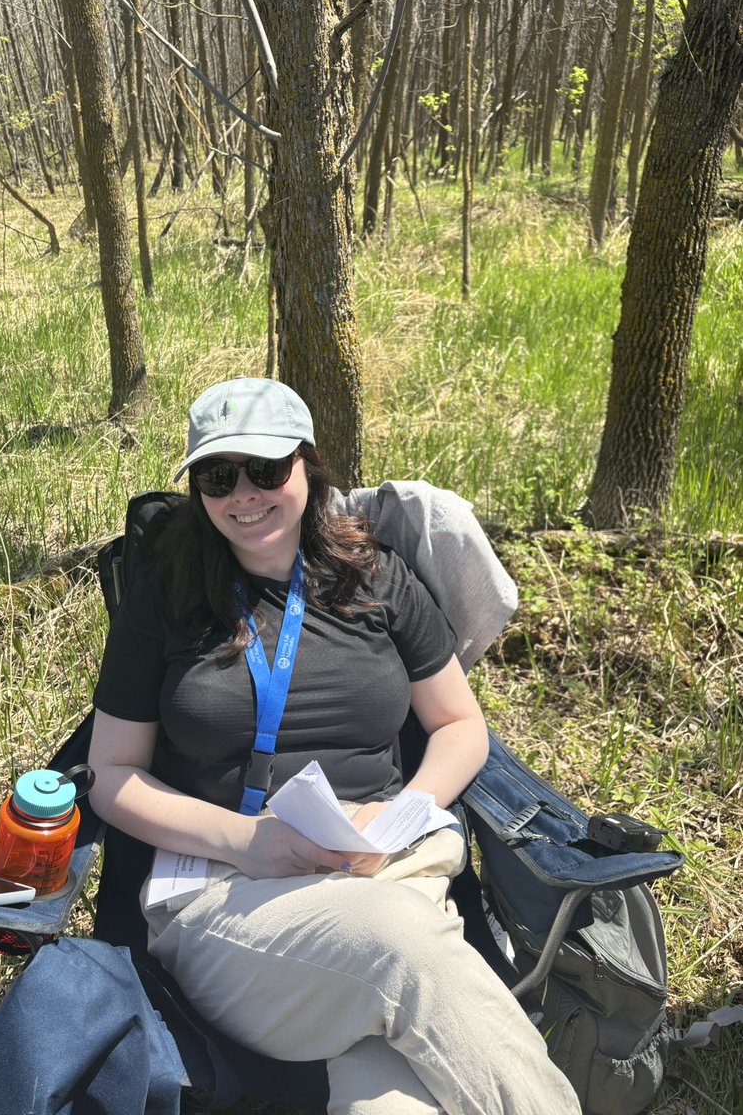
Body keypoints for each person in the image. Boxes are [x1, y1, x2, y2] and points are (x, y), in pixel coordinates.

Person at [88, 376, 583, 1115]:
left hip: (390, 864)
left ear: (307, 465)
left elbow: (460, 724)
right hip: (232, 894)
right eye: (218, 476)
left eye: (266, 469)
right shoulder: (167, 593)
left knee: (394, 1099)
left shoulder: (375, 575)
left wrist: (402, 814)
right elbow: (109, 772)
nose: (244, 494)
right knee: (399, 945)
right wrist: (242, 839)